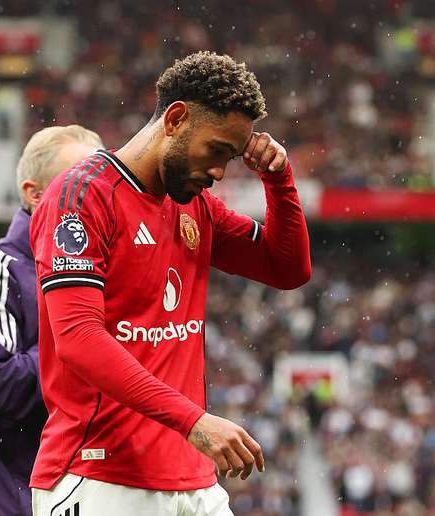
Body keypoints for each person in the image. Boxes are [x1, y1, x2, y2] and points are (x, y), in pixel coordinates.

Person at [29, 51, 312, 516]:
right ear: (176, 119)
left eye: (232, 157)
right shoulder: (81, 196)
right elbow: (78, 339)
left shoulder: (195, 206)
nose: (220, 172)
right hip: (101, 476)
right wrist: (194, 421)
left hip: (194, 480)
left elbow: (287, 269)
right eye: (217, 150)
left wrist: (279, 180)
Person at [0, 125, 103, 516]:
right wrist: (80, 330)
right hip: (0, 501)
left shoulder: (103, 272)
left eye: (101, 183)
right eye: (77, 183)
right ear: (34, 193)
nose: (95, 196)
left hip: (74, 497)